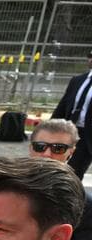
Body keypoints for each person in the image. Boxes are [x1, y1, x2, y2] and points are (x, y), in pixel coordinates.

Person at [29, 118, 92, 240]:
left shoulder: (84, 203)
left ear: (70, 153)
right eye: (40, 146)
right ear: (31, 147)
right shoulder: (5, 189)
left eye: (58, 148)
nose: (47, 154)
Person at [51, 49, 92, 179]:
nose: (90, 59)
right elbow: (63, 105)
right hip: (69, 128)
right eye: (90, 56)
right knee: (54, 164)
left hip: (88, 134)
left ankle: (67, 194)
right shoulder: (77, 80)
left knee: (74, 171)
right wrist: (50, 126)